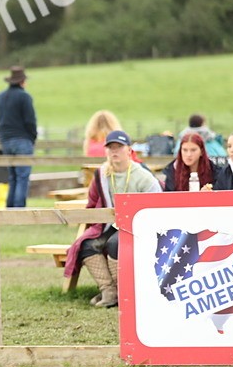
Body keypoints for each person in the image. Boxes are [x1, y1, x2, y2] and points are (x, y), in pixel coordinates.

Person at [64, 130, 161, 308]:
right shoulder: (101, 175)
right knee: (87, 244)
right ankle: (109, 291)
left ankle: (124, 291)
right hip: (108, 224)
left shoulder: (144, 177)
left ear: (129, 150)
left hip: (136, 227)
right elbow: (92, 203)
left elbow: (157, 206)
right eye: (110, 148)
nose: (114, 151)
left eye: (119, 147)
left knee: (116, 243)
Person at [0, 66, 37, 208]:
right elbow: (30, 121)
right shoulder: (25, 97)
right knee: (23, 177)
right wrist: (32, 137)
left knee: (13, 177)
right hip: (22, 140)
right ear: (22, 81)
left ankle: (10, 208)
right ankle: (19, 209)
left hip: (5, 141)